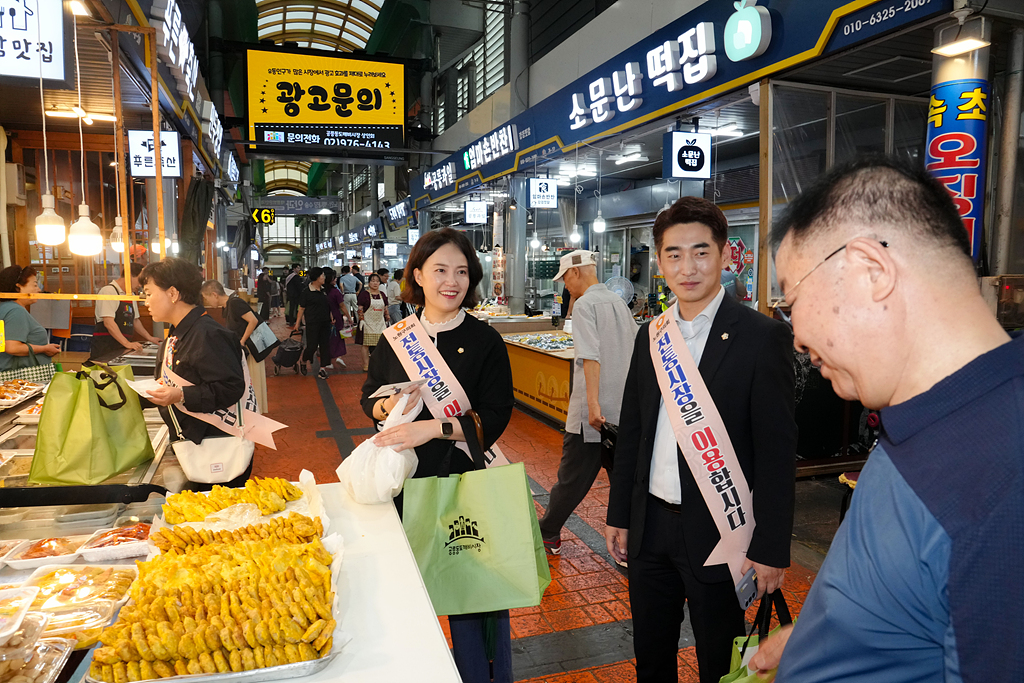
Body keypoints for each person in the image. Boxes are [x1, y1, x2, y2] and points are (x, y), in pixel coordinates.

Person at [747, 158, 1022, 682]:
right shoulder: (928, 422)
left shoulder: (1000, 478)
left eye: (791, 301)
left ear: (871, 270)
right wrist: (823, 637)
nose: (796, 337)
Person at [605, 196, 797, 683]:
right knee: (651, 656)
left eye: (700, 252)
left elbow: (777, 453)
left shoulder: (760, 337)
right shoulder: (652, 335)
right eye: (673, 254)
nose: (687, 267)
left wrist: (772, 548)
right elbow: (633, 433)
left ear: (725, 256)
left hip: (722, 533)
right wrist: (619, 515)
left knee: (720, 660)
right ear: (660, 261)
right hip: (650, 529)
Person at [360, 227, 514, 683]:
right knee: (409, 592)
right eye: (441, 270)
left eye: (462, 271)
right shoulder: (395, 338)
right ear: (418, 276)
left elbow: (496, 415)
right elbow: (369, 396)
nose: (453, 281)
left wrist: (433, 427)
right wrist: (385, 406)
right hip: (406, 485)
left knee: (470, 598)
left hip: (465, 485)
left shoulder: (486, 340)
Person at [539, 250, 637, 554]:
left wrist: (593, 405)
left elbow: (589, 356)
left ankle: (547, 533)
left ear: (577, 272)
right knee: (624, 482)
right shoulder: (618, 301)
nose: (565, 285)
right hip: (621, 409)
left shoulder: (585, 305)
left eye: (565, 277)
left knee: (571, 479)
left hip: (592, 417)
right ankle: (630, 543)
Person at [139, 258, 252, 490]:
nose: (145, 301)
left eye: (149, 293)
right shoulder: (176, 334)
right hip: (192, 446)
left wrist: (180, 395)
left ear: (172, 293)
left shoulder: (208, 334)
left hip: (216, 449)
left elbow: (231, 387)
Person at [200, 279, 268, 415]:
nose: (206, 302)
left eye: (206, 298)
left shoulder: (235, 303)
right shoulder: (228, 306)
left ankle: (256, 412)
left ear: (214, 294)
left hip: (251, 348)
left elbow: (253, 320)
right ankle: (254, 411)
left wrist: (242, 341)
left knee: (252, 379)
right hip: (246, 349)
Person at [90, 262, 161, 360]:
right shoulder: (109, 291)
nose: (140, 285)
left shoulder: (130, 295)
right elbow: (108, 322)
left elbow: (135, 321)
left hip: (121, 348)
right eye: (139, 281)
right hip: (105, 348)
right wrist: (127, 343)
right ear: (129, 276)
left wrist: (150, 338)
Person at [0, 266, 61, 372]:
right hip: (20, 378)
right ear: (18, 287)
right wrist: (44, 349)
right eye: (35, 285)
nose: (38, 289)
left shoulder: (5, 307)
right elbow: (12, 347)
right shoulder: (15, 310)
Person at [292, 267, 333, 380]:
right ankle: (304, 361)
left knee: (325, 346)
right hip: (312, 323)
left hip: (325, 322)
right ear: (316, 277)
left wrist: (331, 317)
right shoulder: (306, 292)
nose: (324, 278)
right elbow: (301, 309)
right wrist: (297, 323)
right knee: (312, 347)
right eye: (322, 275)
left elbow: (327, 306)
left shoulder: (324, 290)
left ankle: (323, 369)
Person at [355, 272, 389, 372]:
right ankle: (366, 364)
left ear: (379, 283)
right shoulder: (364, 295)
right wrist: (361, 320)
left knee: (381, 345)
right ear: (369, 283)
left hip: (380, 323)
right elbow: (360, 309)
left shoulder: (382, 295)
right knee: (366, 345)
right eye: (373, 281)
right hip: (367, 324)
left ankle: (378, 364)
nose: (375, 283)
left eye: (377, 281)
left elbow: (385, 308)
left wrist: (387, 318)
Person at [322, 268, 348, 371]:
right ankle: (339, 356)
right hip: (336, 316)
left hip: (325, 317)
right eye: (334, 277)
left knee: (327, 339)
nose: (336, 279)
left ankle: (328, 361)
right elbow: (342, 306)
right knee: (339, 337)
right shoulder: (335, 292)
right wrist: (349, 318)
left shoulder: (322, 291)